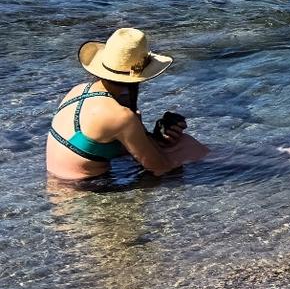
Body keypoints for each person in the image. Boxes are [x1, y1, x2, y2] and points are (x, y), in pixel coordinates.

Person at [44, 27, 209, 182]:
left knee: (175, 147)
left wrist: (154, 137)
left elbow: (103, 141)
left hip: (57, 185)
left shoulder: (78, 90)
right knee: (188, 147)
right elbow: (159, 167)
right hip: (87, 191)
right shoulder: (121, 116)